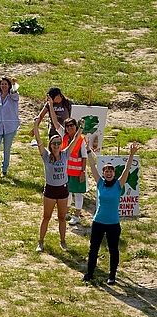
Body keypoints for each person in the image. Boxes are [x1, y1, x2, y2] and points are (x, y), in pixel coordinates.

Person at [83, 141, 140, 285]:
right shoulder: (100, 183)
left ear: (114, 173)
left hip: (113, 224)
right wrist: (88, 150)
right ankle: (89, 274)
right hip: (98, 222)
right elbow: (92, 167)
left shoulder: (118, 184)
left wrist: (131, 154)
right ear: (103, 173)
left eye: (111, 171)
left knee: (113, 250)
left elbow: (127, 169)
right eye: (106, 171)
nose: (108, 173)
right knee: (93, 249)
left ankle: (112, 276)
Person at [33, 116, 84, 252]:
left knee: (62, 217)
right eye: (54, 143)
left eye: (58, 143)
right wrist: (36, 126)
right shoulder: (46, 155)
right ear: (50, 145)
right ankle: (40, 242)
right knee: (46, 217)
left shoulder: (65, 153)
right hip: (50, 190)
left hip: (63, 190)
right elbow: (38, 140)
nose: (56, 146)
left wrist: (81, 128)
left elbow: (75, 140)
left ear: (61, 144)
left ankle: (63, 241)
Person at [49, 104, 87, 225]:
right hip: (66, 171)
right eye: (68, 126)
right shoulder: (64, 136)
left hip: (77, 172)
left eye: (72, 125)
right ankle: (66, 212)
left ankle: (76, 216)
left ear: (76, 127)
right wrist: (50, 105)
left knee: (78, 194)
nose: (70, 128)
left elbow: (84, 157)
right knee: (67, 193)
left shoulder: (81, 139)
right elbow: (55, 122)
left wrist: (83, 172)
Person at [0, 77, 20, 178]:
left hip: (10, 127)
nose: (4, 86)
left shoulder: (13, 96)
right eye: (2, 84)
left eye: (6, 84)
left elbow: (15, 92)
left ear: (9, 85)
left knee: (6, 149)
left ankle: (4, 170)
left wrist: (14, 84)